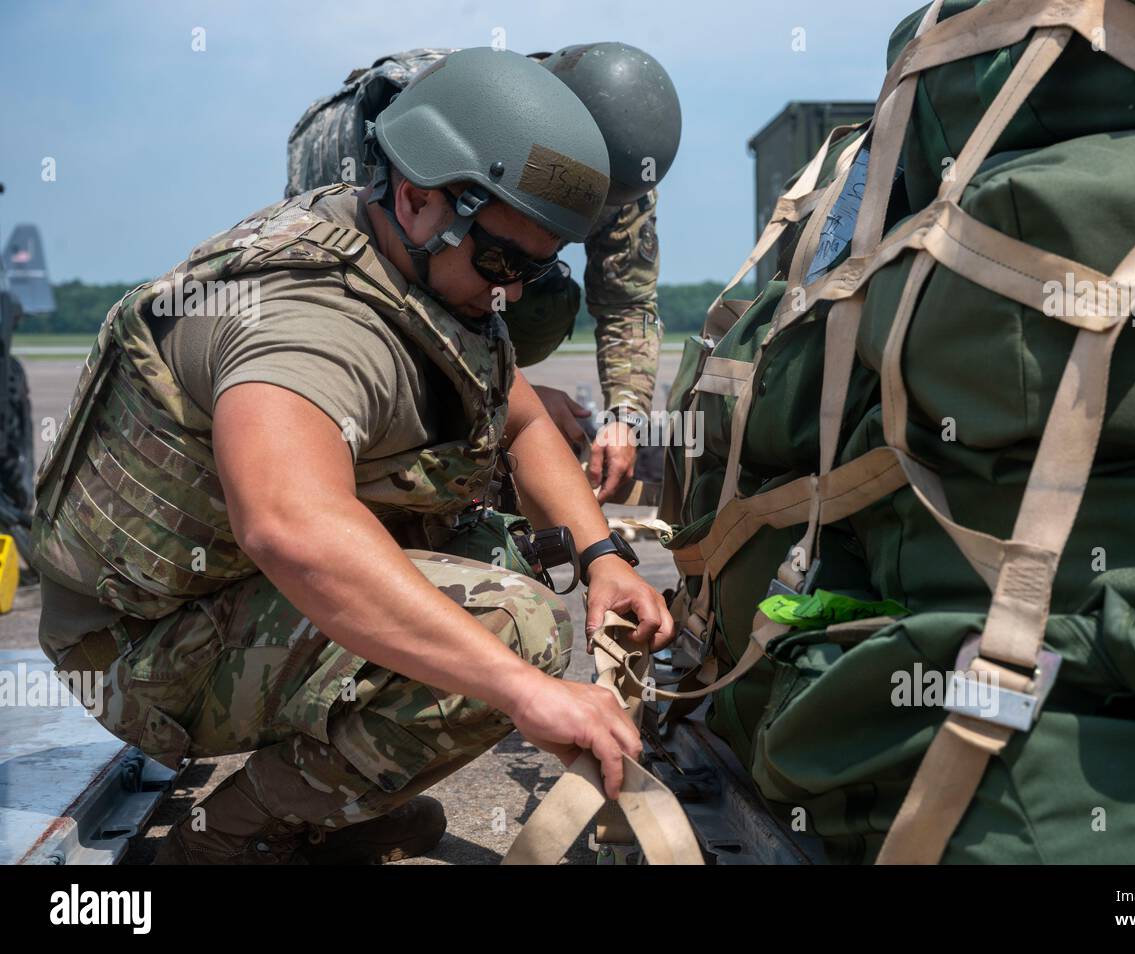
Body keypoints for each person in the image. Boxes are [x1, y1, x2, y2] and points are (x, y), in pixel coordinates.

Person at [31, 48, 673, 865]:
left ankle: (324, 799)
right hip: (136, 648)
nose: (513, 290)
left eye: (539, 269)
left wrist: (602, 555)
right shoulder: (306, 317)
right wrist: (529, 696)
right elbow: (292, 528)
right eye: (504, 263)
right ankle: (239, 833)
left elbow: (515, 420)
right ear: (416, 198)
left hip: (213, 591)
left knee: (488, 551)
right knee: (514, 628)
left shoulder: (414, 258)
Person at [287, 42, 682, 501]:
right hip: (371, 239)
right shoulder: (442, 113)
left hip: (457, 244)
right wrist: (511, 396)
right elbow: (390, 279)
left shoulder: (623, 173)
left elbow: (627, 303)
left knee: (535, 294)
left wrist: (625, 419)